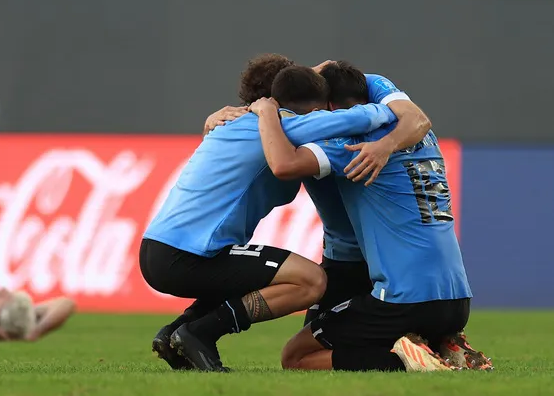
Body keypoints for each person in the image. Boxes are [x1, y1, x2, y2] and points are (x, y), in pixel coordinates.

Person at [140, 54, 400, 372]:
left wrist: (310, 78)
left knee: (252, 274)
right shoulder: (286, 126)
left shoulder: (231, 123)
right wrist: (394, 102)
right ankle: (199, 333)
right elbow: (360, 118)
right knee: (309, 281)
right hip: (186, 256)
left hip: (160, 250)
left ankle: (175, 333)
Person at [253, 63, 489, 372]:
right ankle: (442, 343)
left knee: (296, 357)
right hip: (458, 299)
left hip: (404, 300)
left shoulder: (351, 144)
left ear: (330, 107)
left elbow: (283, 164)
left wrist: (266, 111)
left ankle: (413, 362)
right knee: (345, 333)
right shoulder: (421, 132)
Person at [204, 61, 432, 329]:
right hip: (344, 256)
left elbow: (418, 119)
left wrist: (385, 146)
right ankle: (429, 340)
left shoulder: (354, 105)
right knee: (306, 348)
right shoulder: (305, 123)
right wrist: (231, 117)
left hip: (375, 256)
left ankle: (422, 344)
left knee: (301, 355)